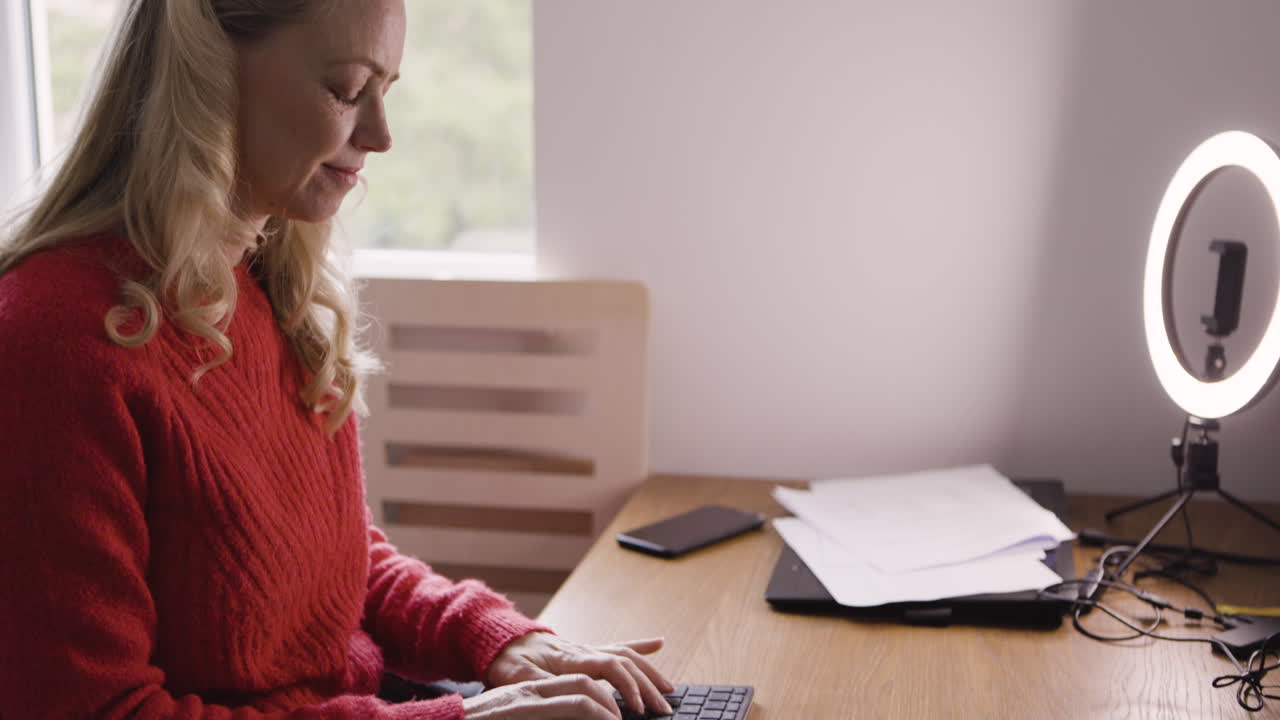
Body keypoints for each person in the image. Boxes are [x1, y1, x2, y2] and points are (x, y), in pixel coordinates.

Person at [0, 1, 675, 718]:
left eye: (388, 91)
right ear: (206, 73)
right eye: (348, 90)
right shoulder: (53, 343)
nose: (382, 136)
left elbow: (329, 572)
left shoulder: (263, 281)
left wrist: (492, 641)